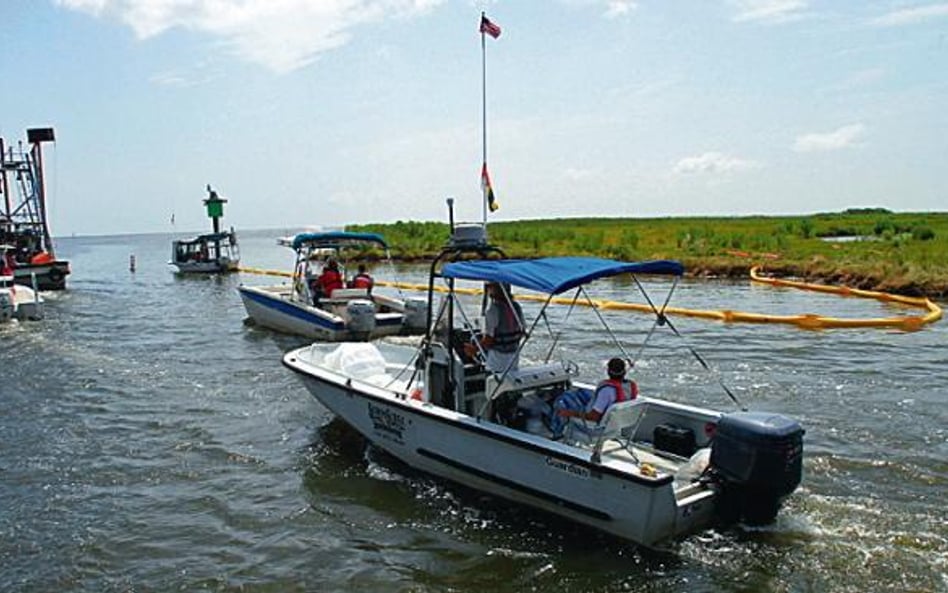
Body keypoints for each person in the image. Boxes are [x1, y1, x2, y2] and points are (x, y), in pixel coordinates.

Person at [549, 357, 638, 437]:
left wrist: (569, 413)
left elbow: (593, 417)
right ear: (624, 372)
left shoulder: (607, 391)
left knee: (563, 399)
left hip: (595, 427)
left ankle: (556, 431)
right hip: (615, 425)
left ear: (608, 371)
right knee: (582, 392)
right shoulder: (630, 386)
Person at [464, 281, 525, 374]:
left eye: (489, 287)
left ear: (495, 289)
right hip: (513, 361)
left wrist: (474, 349)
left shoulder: (493, 310)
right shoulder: (517, 307)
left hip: (496, 364)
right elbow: (522, 332)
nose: (487, 289)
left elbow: (488, 340)